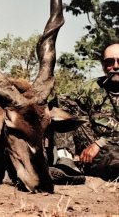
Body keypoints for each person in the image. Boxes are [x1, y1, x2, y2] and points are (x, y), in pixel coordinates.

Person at [50, 42, 119, 184]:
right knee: (62, 105)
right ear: (103, 65)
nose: (116, 66)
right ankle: (66, 163)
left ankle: (83, 169)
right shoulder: (92, 87)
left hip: (111, 149)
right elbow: (58, 102)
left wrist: (100, 143)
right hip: (91, 147)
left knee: (115, 158)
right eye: (109, 62)